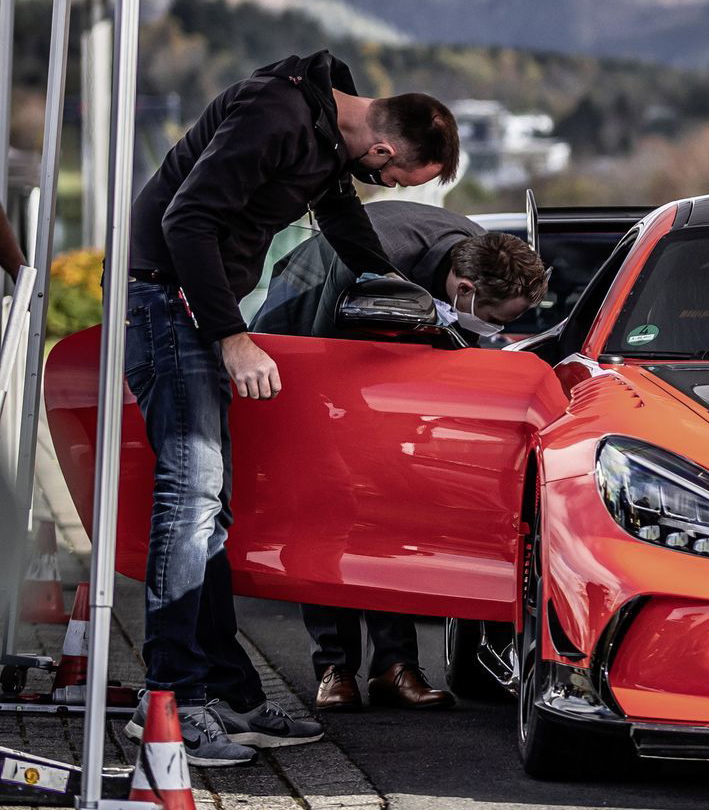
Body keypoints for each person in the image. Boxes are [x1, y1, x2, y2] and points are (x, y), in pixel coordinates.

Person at [123, 50, 458, 766]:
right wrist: (233, 338)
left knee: (209, 510)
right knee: (189, 503)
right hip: (163, 302)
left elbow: (340, 218)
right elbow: (187, 220)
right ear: (381, 149)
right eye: (400, 177)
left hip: (188, 311)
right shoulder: (275, 115)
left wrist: (400, 292)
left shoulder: (324, 133)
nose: (395, 188)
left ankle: (227, 694)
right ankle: (169, 702)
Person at [255, 201, 547, 711]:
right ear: (465, 291)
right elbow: (324, 363)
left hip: (386, 368)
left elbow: (457, 347)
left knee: (392, 517)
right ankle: (334, 668)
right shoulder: (369, 265)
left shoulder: (483, 252)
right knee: (328, 515)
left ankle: (394, 666)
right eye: (499, 322)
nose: (499, 332)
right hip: (308, 346)